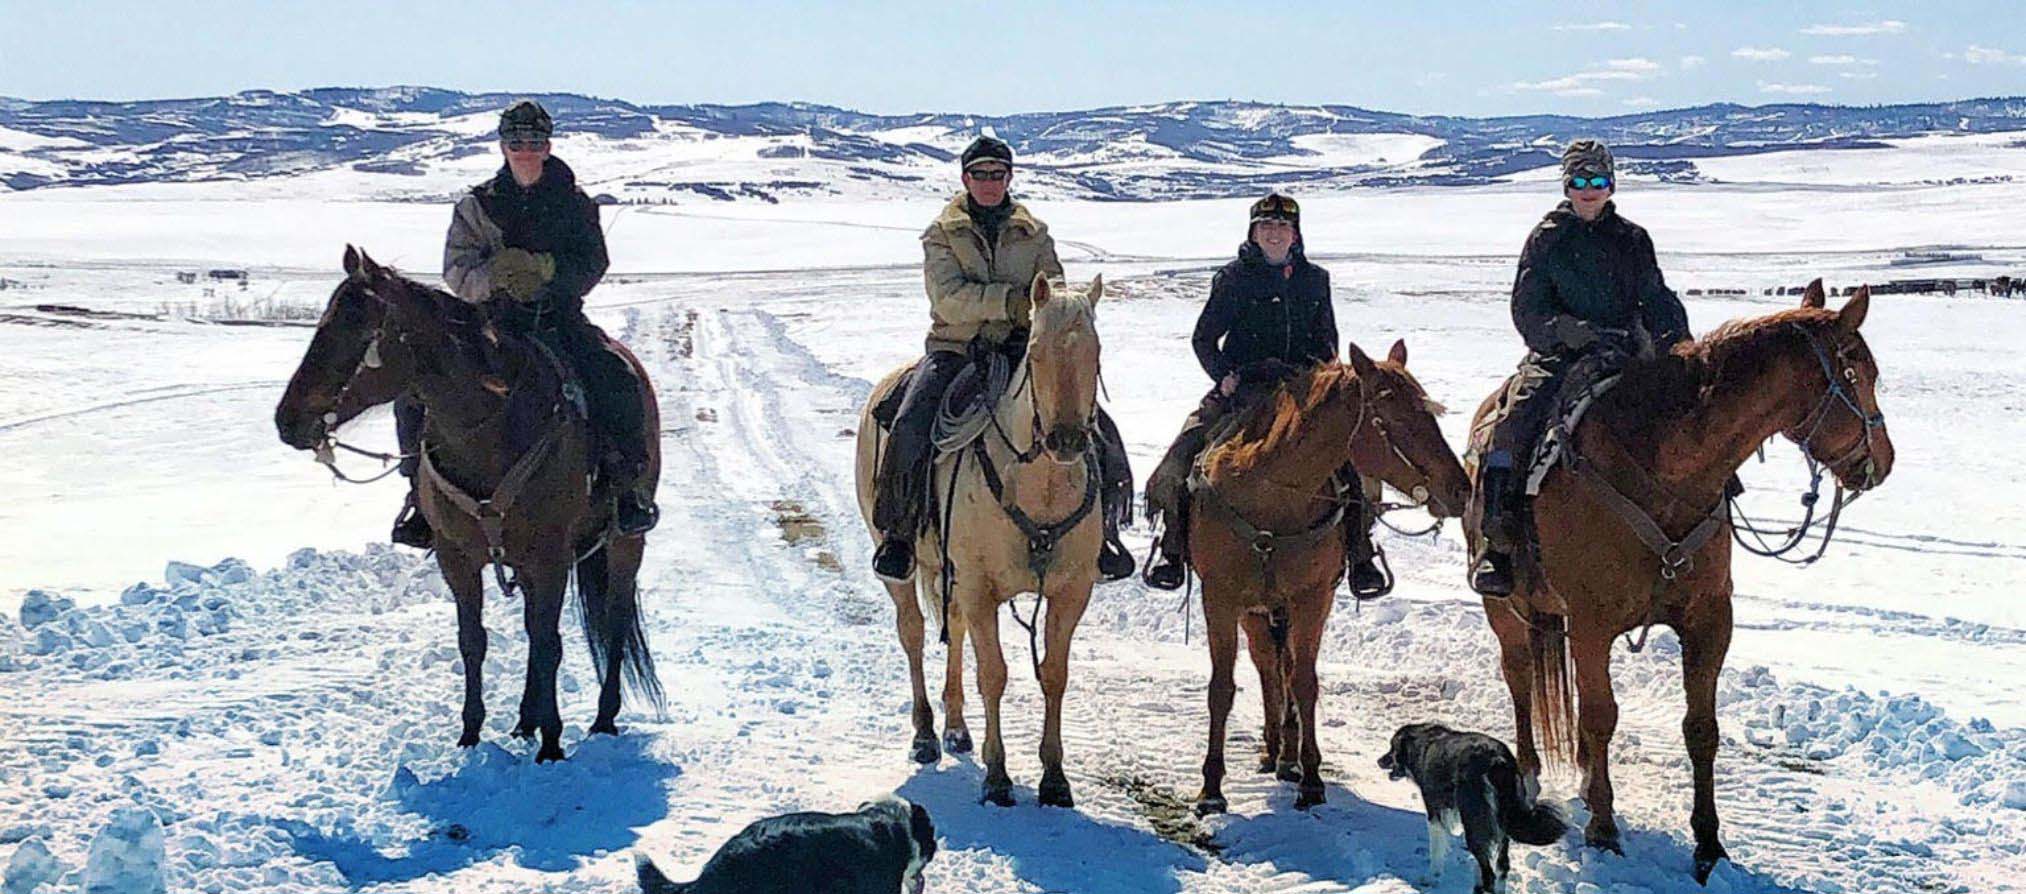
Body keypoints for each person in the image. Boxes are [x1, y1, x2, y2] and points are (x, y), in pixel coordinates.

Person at [390, 99, 658, 549]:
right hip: (493, 324)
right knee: (415, 392)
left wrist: (549, 270)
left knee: (616, 379)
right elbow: (457, 271)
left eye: (533, 141)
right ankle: (420, 494)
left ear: (548, 146)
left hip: (559, 320)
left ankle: (626, 488)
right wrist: (493, 278)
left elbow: (593, 261)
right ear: (503, 146)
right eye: (516, 141)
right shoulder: (477, 207)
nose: (525, 150)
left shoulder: (575, 205)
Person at [870, 136, 1135, 584]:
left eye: (997, 174)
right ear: (965, 179)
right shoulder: (942, 234)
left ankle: (1105, 534)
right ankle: (899, 534)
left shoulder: (1034, 232)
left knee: (1098, 428)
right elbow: (948, 299)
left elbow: (1051, 287)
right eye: (980, 175)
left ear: (1009, 178)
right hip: (956, 349)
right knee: (911, 423)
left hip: (1019, 349)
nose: (989, 183)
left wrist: (1049, 311)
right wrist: (1011, 304)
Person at [1469, 139, 1692, 596]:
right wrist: (1570, 332)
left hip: (1629, 353)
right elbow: (1526, 310)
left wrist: (1676, 339)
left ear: (1611, 184)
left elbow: (1655, 296)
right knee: (1510, 426)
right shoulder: (1547, 239)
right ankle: (1497, 541)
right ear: (1567, 185)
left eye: (1598, 180)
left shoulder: (1632, 238)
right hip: (1560, 357)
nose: (1589, 190)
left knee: (1691, 414)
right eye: (1579, 180)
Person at [1141, 192, 1387, 595]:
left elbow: (1327, 342)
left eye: (1282, 227)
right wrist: (1224, 376)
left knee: (1348, 468)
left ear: (1295, 234)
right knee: (1184, 454)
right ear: (1253, 232)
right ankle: (1174, 550)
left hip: (1302, 394)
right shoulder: (1234, 278)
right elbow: (1204, 338)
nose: (1274, 234)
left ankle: (1361, 555)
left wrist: (1321, 381)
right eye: (1266, 226)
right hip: (1246, 390)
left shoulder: (1315, 279)